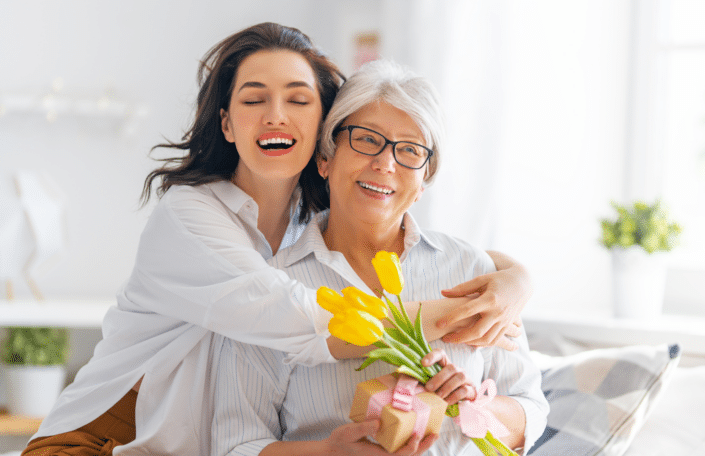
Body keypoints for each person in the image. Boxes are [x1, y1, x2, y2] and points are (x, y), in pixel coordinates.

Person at [22, 23, 533, 456]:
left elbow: (460, 259)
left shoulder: (308, 218)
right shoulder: (191, 217)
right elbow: (299, 317)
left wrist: (513, 283)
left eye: (298, 99)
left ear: (318, 129)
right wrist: (453, 316)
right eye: (253, 99)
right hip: (110, 436)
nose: (276, 115)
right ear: (226, 122)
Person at [210, 59, 548, 456]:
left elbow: (531, 410)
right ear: (325, 158)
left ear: (424, 181)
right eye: (367, 140)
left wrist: (471, 404)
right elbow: (236, 446)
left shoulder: (474, 272)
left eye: (410, 150)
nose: (386, 163)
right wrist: (328, 454)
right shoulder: (273, 287)